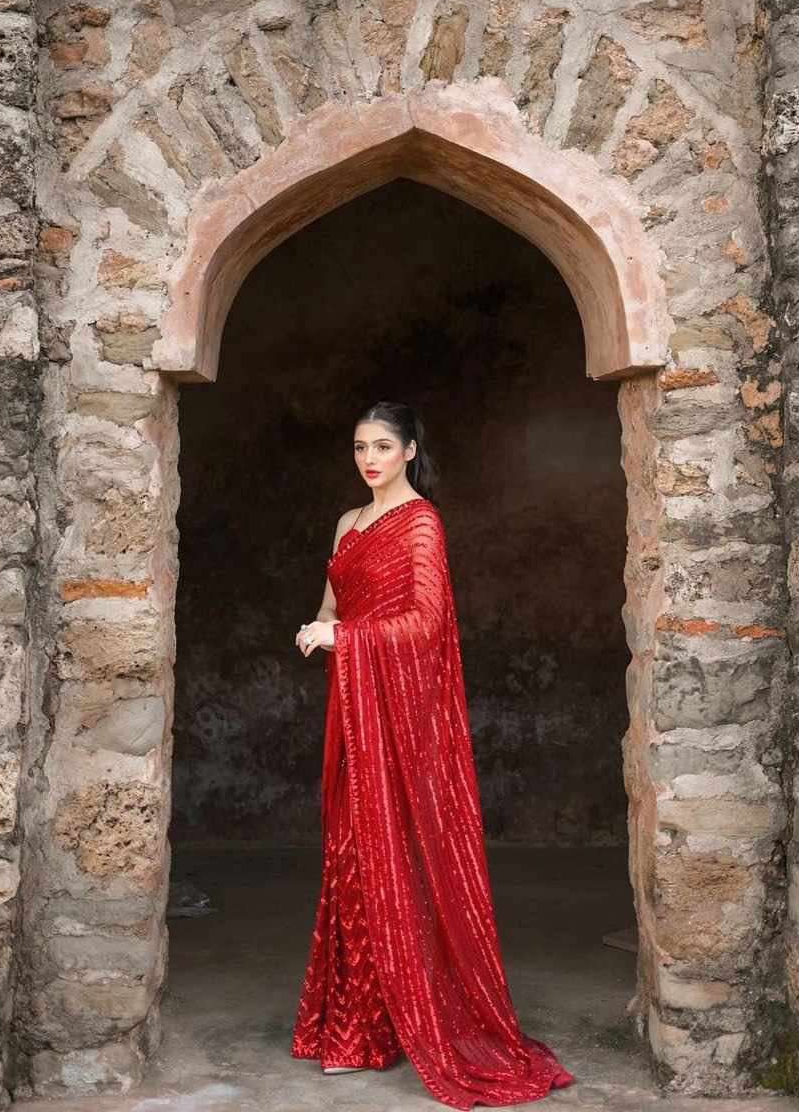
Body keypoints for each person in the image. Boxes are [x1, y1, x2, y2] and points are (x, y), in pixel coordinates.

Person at [289, 400, 575, 1109]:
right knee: (351, 853)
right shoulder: (347, 523)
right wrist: (319, 628)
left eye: (383, 446)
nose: (370, 459)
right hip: (355, 706)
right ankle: (357, 1028)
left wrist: (345, 640)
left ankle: (408, 1020)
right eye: (361, 446)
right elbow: (332, 607)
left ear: (411, 451)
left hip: (402, 716)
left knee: (399, 855)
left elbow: (426, 623)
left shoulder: (421, 524)